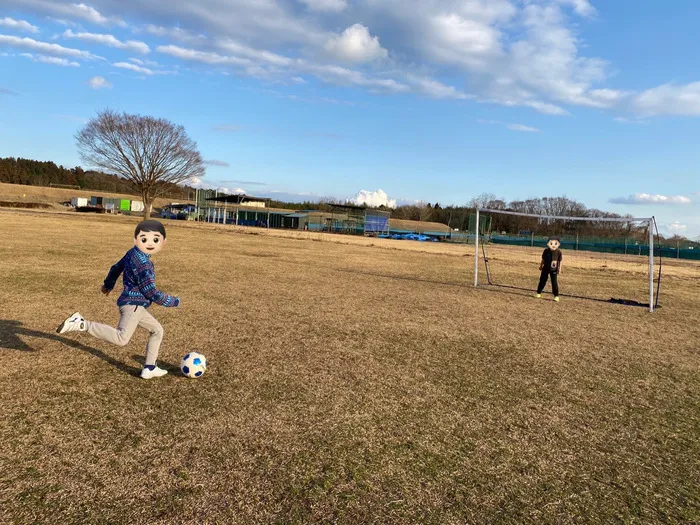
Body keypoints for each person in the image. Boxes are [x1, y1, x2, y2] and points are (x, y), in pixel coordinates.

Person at [57, 220, 180, 379]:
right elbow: (151, 292)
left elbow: (116, 268)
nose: (150, 244)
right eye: (145, 239)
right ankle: (82, 324)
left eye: (155, 240)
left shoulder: (133, 253)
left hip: (137, 306)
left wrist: (108, 285)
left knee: (157, 330)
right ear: (136, 239)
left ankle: (149, 367)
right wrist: (173, 301)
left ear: (163, 242)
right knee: (122, 338)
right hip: (133, 305)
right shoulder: (144, 265)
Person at [536, 237, 563, 302]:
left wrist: (559, 269)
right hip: (545, 268)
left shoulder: (558, 252)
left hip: (554, 269)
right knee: (542, 280)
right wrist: (540, 266)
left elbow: (560, 261)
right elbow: (543, 259)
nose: (553, 245)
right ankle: (538, 292)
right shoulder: (546, 251)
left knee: (554, 282)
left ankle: (556, 296)